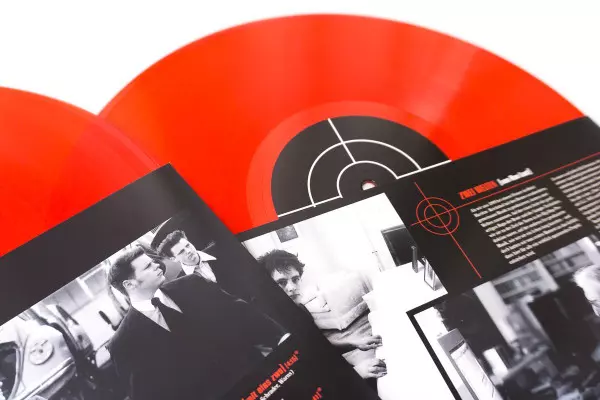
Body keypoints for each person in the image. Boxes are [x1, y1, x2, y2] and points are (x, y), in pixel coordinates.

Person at [107, 246, 287, 400]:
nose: (157, 265)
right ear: (129, 285)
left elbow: (242, 312)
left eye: (153, 261)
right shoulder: (123, 344)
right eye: (148, 266)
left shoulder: (193, 284)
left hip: (258, 379)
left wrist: (280, 337)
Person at [256, 249, 387, 381]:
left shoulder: (299, 309)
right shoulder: (270, 325)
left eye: (295, 279)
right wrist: (356, 373)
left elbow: (317, 345)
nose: (292, 287)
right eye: (282, 282)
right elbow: (300, 376)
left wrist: (353, 343)